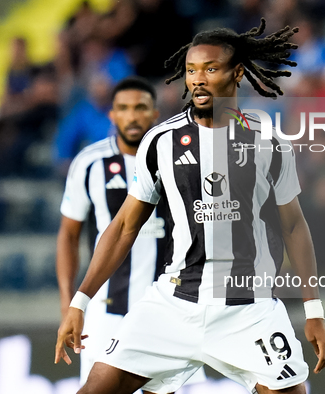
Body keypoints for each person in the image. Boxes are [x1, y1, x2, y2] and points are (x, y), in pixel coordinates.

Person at [56, 19, 325, 394]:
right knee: (96, 388)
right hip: (174, 302)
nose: (197, 79)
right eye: (191, 70)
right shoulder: (161, 141)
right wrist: (80, 300)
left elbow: (295, 226)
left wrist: (314, 310)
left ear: (237, 74)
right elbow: (124, 227)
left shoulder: (268, 140)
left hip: (247, 307)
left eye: (211, 68)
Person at [56, 76, 206, 391]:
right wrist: (69, 303)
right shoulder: (89, 164)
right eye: (123, 108)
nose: (132, 116)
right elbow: (69, 235)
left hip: (172, 309)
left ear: (155, 114)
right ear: (111, 115)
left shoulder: (183, 158)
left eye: (140, 108)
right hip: (107, 310)